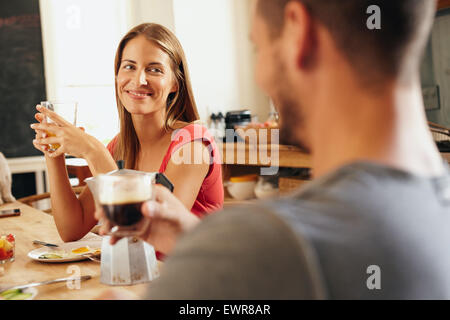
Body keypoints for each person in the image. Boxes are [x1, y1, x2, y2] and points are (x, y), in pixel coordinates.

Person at [97, 0, 450, 299]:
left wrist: (208, 262)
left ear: (298, 33)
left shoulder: (278, 247)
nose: (260, 75)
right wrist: (200, 241)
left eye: (259, 47)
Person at [30, 23, 223, 246]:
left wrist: (92, 151)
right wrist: (54, 150)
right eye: (129, 67)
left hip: (193, 277)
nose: (139, 80)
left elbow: (150, 234)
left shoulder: (193, 145)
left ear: (174, 84)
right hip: (142, 279)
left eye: (155, 69)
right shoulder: (121, 145)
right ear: (117, 76)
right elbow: (71, 228)